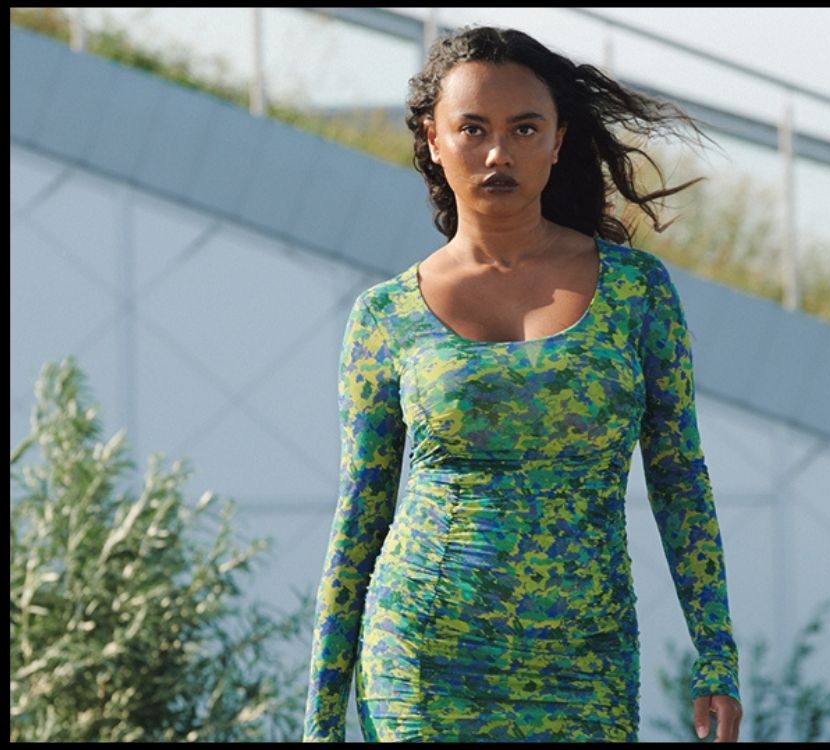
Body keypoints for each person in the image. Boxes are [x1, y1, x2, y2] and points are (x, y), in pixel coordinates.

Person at [303, 24, 742, 743]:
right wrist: (320, 721)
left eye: (524, 128)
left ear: (559, 139)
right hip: (422, 657)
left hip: (584, 661)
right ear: (433, 139)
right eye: (472, 128)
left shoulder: (638, 292)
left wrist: (716, 655)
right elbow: (359, 518)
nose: (498, 153)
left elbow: (679, 478)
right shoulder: (385, 316)